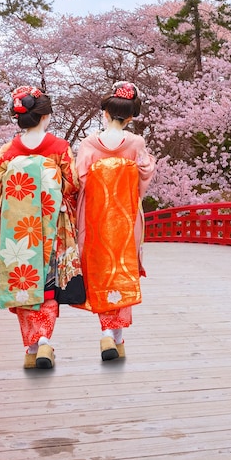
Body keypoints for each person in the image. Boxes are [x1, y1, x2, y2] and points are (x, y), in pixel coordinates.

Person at [0, 86, 79, 370]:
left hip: (17, 230)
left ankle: (31, 346)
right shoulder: (60, 148)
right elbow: (73, 185)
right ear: (45, 117)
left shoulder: (7, 152)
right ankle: (44, 342)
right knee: (48, 285)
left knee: (23, 283)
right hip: (51, 228)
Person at [75, 81, 157, 361]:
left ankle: (110, 334)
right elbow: (144, 175)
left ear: (105, 113)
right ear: (131, 116)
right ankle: (114, 335)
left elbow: (80, 180)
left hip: (95, 217)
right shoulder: (136, 143)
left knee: (101, 269)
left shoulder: (88, 143)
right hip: (125, 216)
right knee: (123, 268)